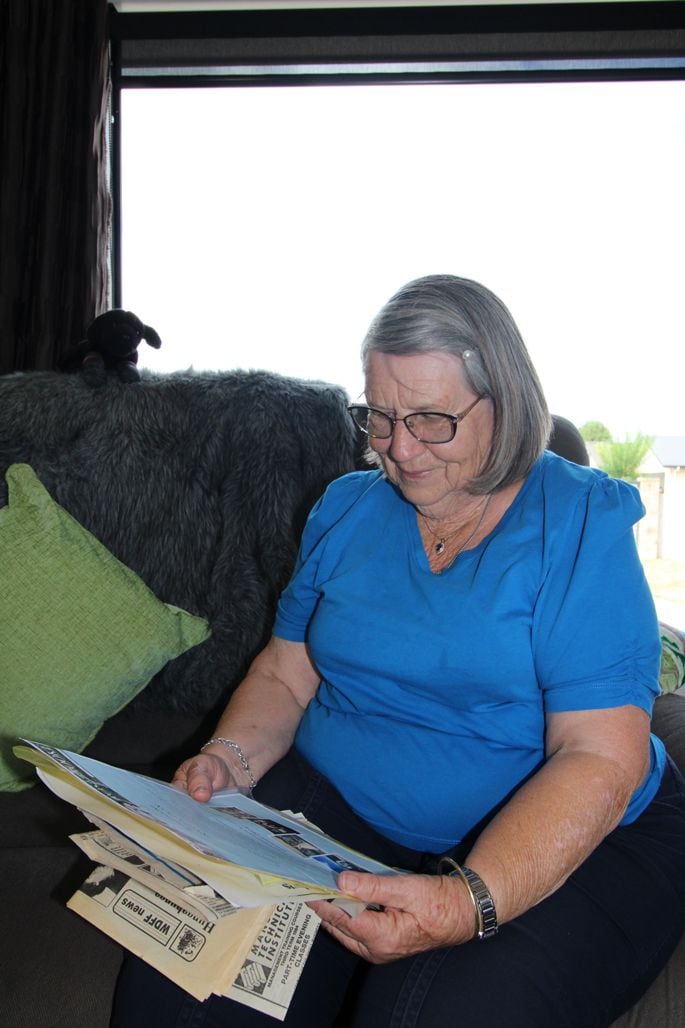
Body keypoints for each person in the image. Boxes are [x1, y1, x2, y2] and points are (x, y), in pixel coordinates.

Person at [111, 275, 685, 1028]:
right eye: (377, 417)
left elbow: (597, 756)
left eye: (429, 419)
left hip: (578, 832)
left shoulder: (578, 523)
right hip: (341, 811)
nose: (398, 448)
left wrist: (464, 901)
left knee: (425, 1016)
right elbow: (286, 674)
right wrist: (229, 759)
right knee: (183, 996)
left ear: (504, 403)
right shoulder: (346, 509)